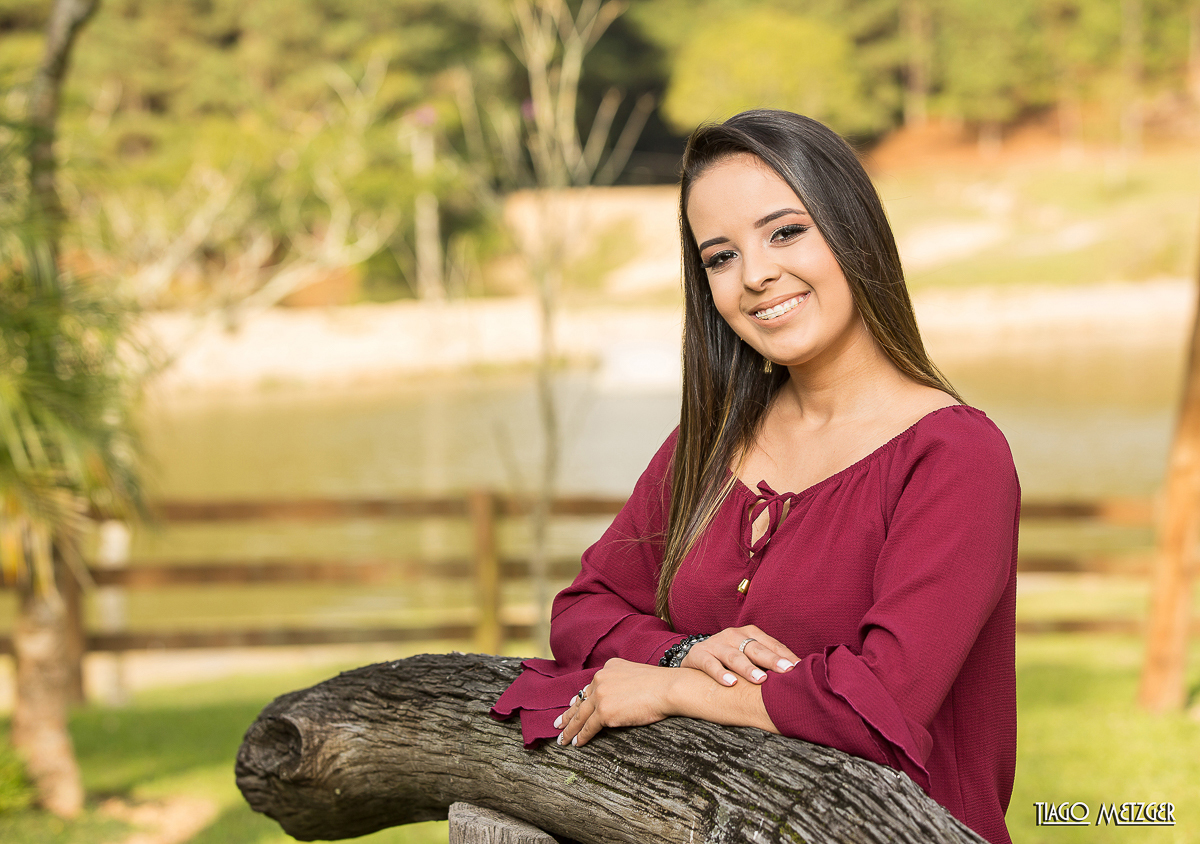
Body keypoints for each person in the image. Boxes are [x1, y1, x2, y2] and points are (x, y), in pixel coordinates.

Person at [491, 109, 1019, 844]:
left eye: (785, 231)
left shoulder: (955, 456)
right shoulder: (706, 449)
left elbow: (884, 697)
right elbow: (583, 608)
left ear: (852, 226)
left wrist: (675, 687)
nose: (757, 275)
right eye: (720, 256)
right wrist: (683, 648)